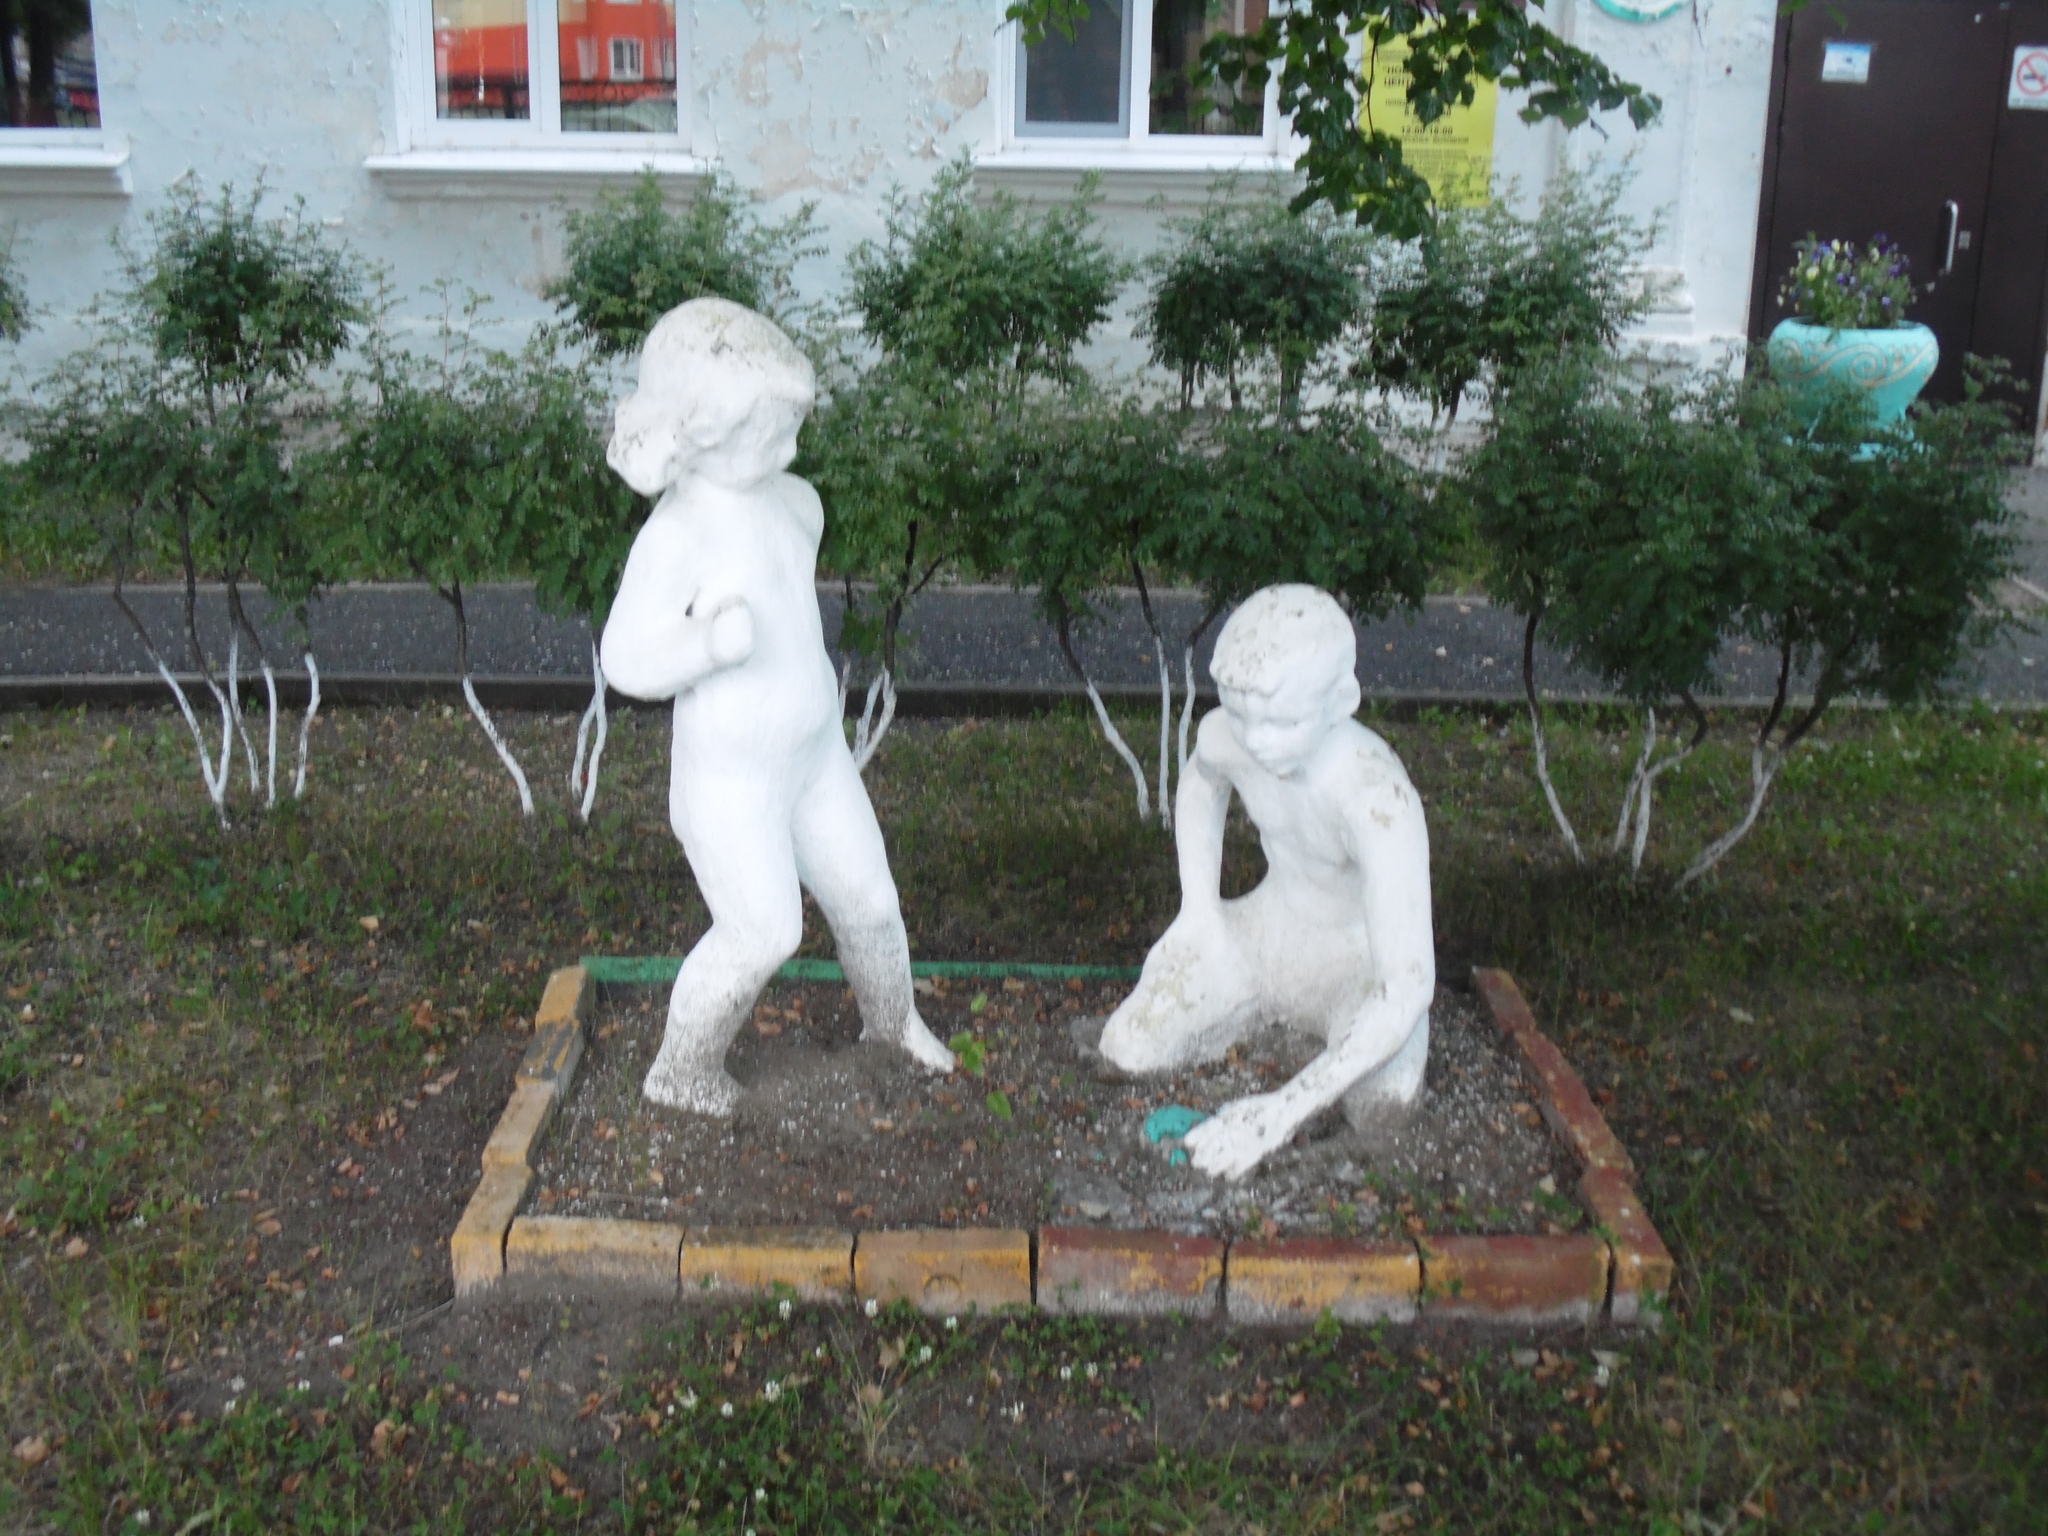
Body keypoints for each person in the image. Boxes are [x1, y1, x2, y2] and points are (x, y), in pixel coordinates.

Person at [599, 298, 953, 1114]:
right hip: (732, 779)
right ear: (699, 434)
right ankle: (681, 1071)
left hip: (815, 757)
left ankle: (892, 1025)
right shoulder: (678, 534)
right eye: (770, 435)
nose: (789, 450)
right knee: (763, 932)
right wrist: (704, 647)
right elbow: (624, 658)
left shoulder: (797, 504)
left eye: (794, 429)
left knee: (871, 901)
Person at [1097, 584, 1435, 1180]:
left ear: (1342, 701)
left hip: (1356, 969)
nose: (1257, 740)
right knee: (1129, 1046)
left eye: (1283, 722)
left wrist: (1280, 1111)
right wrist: (1199, 909)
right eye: (1242, 715)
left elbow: (1407, 986)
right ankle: (1258, 1006)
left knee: (1381, 1106)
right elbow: (1203, 782)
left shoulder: (1375, 798)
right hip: (1266, 936)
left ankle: (1321, 1100)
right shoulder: (1230, 736)